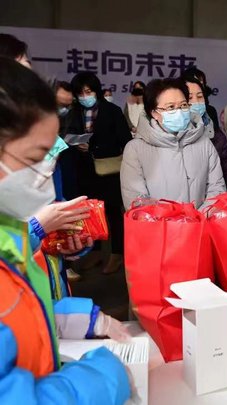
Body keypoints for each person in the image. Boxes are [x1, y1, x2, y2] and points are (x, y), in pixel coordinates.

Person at [0, 57, 130, 404]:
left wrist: (83, 319)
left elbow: (20, 310)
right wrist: (107, 376)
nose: (45, 175)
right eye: (34, 158)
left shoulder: (9, 237)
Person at [120, 78, 225, 208]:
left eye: (183, 105)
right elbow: (135, 199)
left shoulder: (204, 143)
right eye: (171, 107)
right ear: (154, 113)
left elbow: (216, 188)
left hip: (201, 225)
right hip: (160, 227)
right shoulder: (135, 149)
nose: (179, 111)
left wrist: (199, 219)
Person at [66, 72, 131, 274]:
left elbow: (125, 140)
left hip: (108, 170)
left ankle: (117, 254)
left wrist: (96, 148)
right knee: (88, 213)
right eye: (81, 93)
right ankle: (93, 252)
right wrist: (76, 144)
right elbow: (65, 135)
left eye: (89, 91)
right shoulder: (72, 112)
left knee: (113, 212)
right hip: (83, 170)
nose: (85, 96)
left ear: (97, 91)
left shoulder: (112, 110)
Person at [181, 74, 227, 191]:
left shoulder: (216, 135)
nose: (196, 102)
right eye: (189, 97)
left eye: (200, 96)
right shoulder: (170, 135)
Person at [183, 66, 220, 131]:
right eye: (190, 97)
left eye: (200, 83)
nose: (197, 86)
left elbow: (217, 135)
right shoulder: (177, 117)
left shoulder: (211, 111)